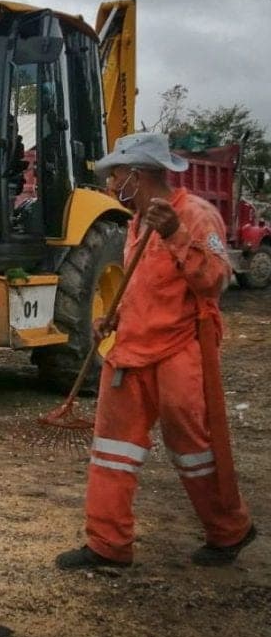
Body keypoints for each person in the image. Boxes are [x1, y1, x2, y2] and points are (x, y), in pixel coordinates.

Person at [56, 132, 255, 570]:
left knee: (195, 449)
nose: (111, 187)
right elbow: (144, 286)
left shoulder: (195, 216)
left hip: (179, 350)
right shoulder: (134, 221)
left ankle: (229, 530)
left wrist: (175, 234)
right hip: (130, 349)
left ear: (139, 175)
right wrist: (114, 317)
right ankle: (107, 545)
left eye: (116, 177)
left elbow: (215, 281)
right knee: (112, 450)